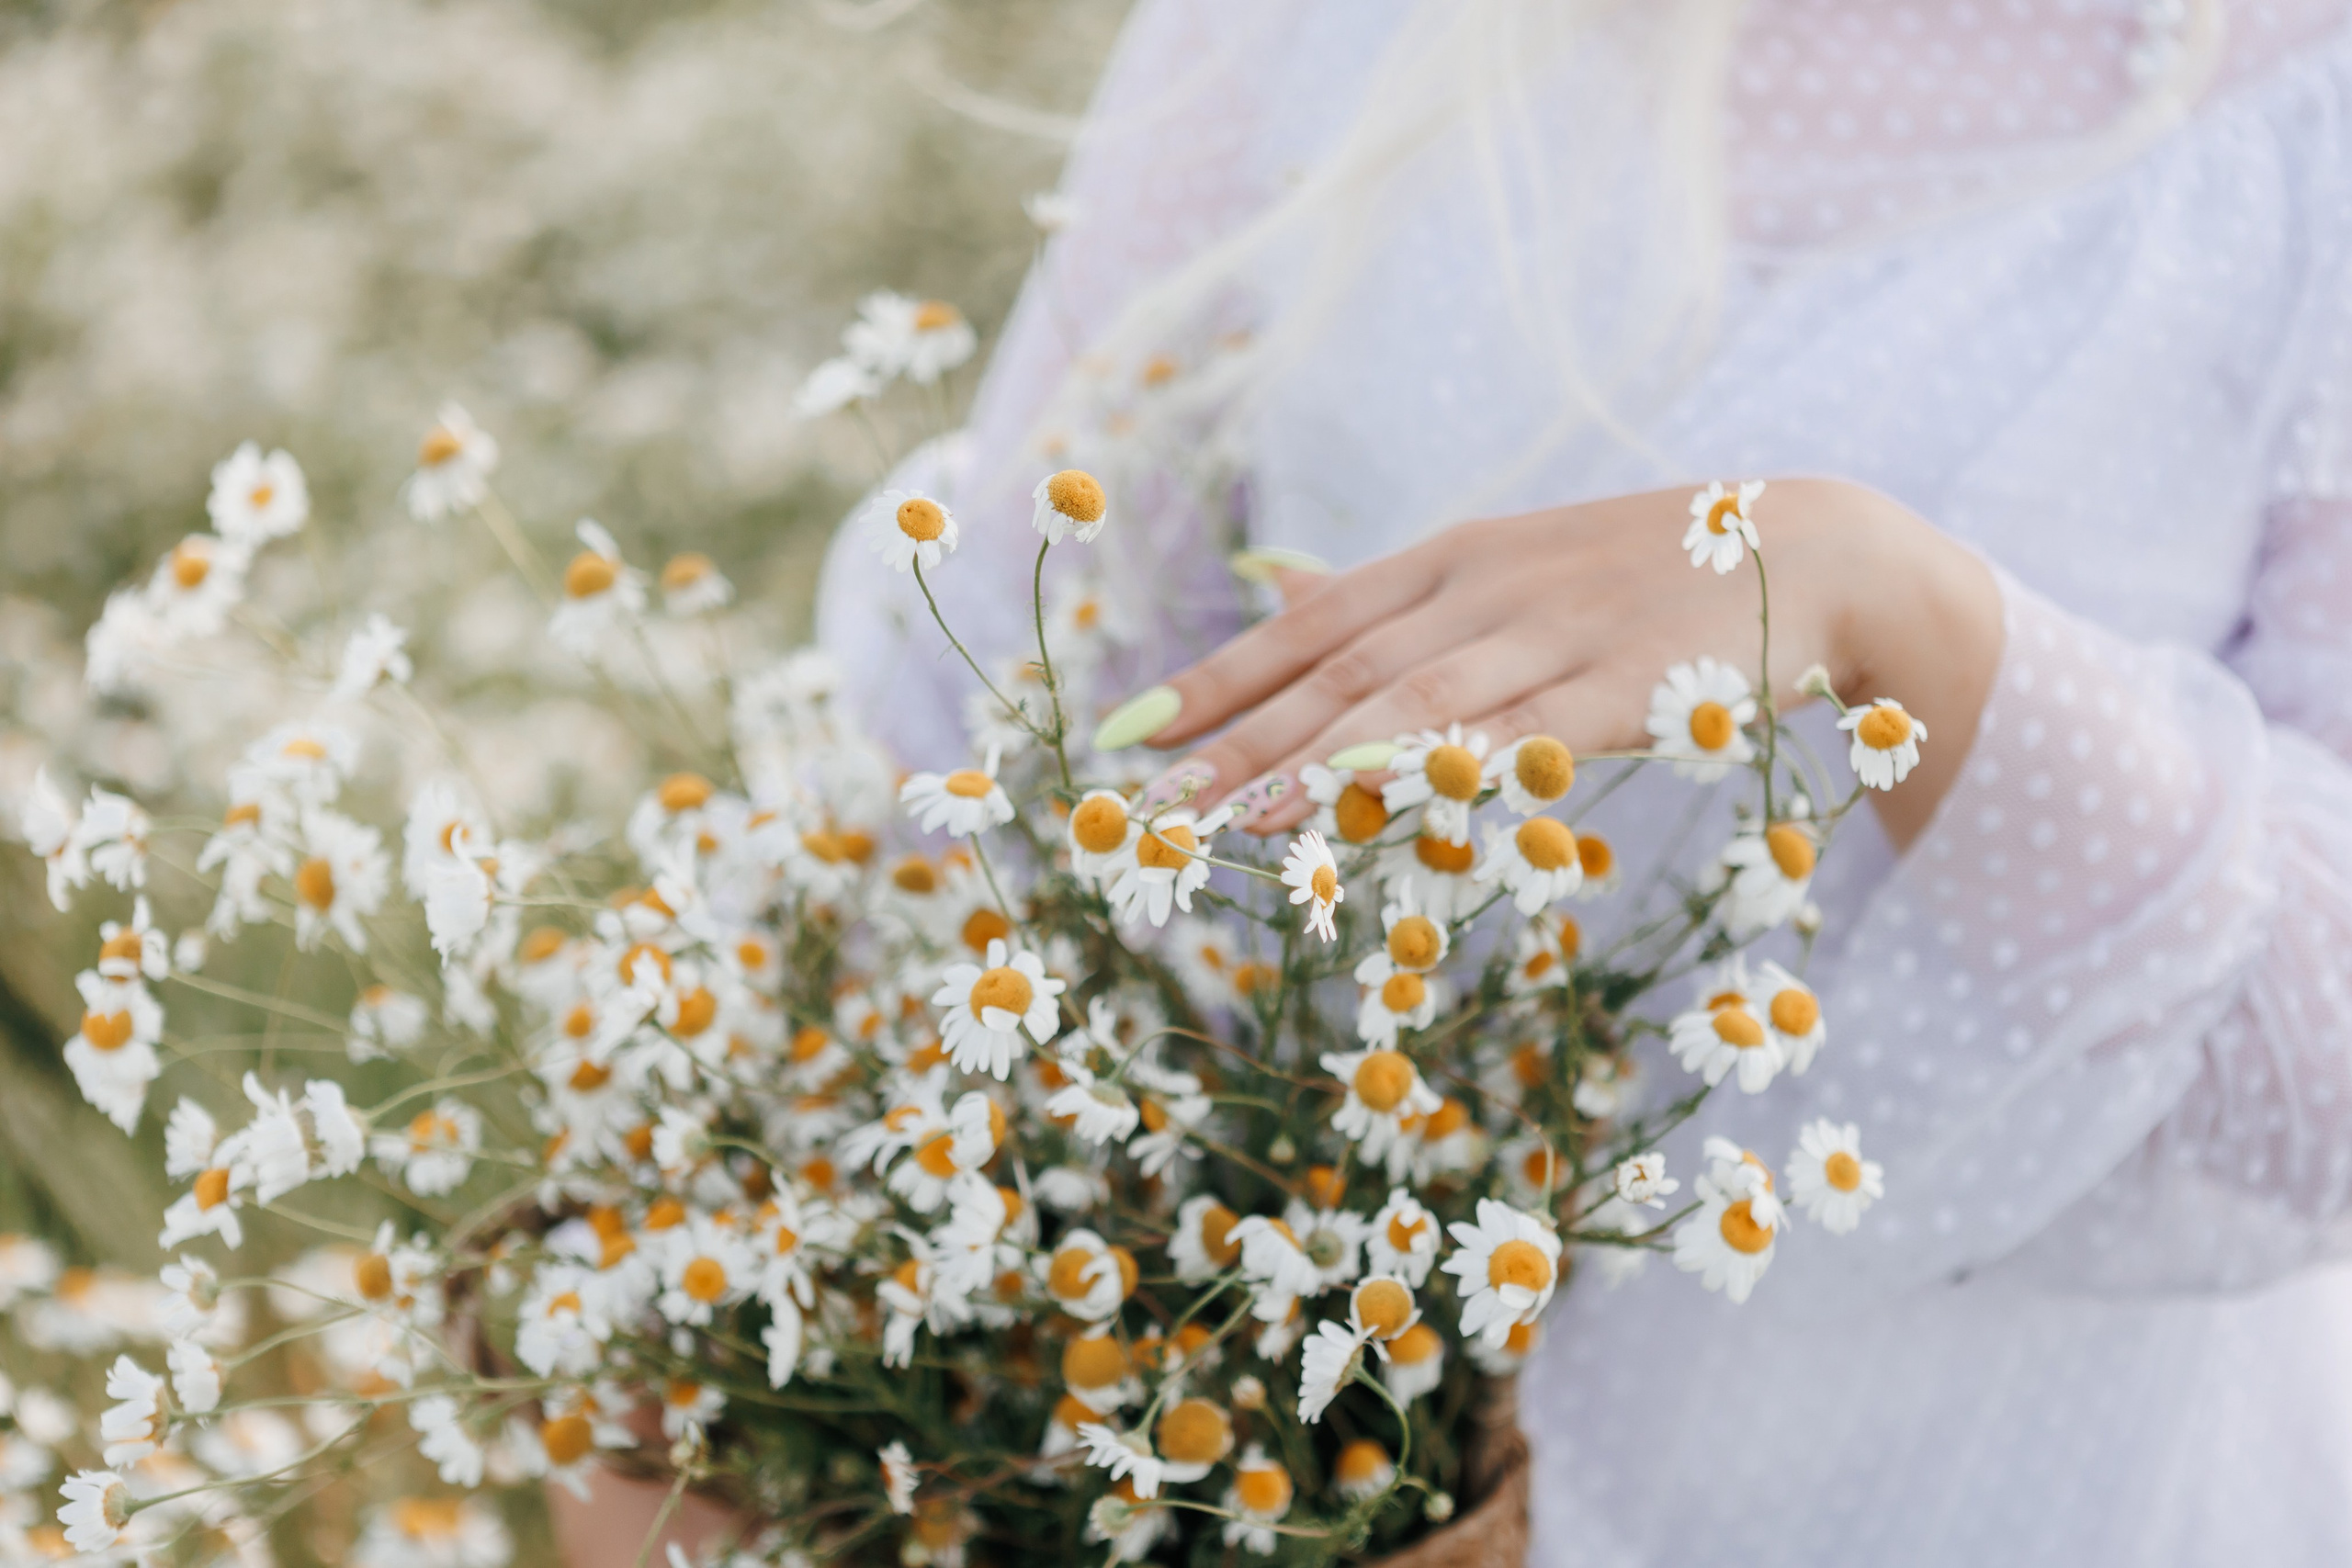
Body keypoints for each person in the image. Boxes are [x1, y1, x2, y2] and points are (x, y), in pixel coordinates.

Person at [804, 1, 2352, 1562]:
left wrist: (1906, 616)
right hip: (1291, 1451)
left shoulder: (2303, 108)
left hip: (1997, 1491)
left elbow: (2319, 1102)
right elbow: (980, 734)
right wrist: (726, 1397)